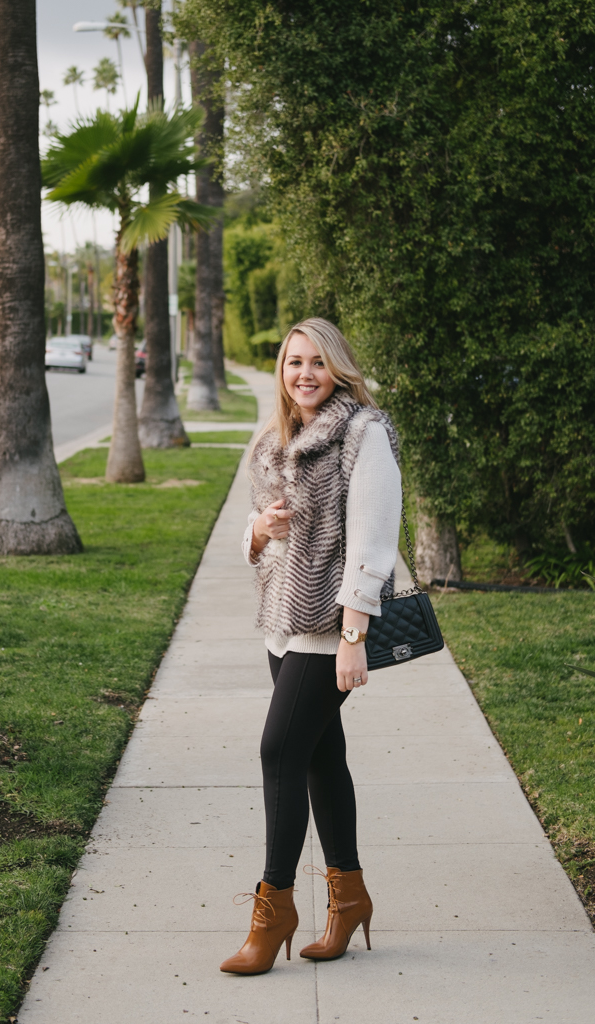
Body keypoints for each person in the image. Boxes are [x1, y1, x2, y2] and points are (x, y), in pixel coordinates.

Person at [220, 317, 402, 976]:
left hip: (329, 629)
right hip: (284, 624)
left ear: (339, 368)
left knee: (278, 751)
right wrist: (261, 530)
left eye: (317, 363)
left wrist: (353, 636)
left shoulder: (363, 434)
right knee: (322, 760)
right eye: (294, 362)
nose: (304, 374)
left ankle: (274, 914)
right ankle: (349, 900)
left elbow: (374, 543)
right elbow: (257, 525)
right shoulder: (277, 437)